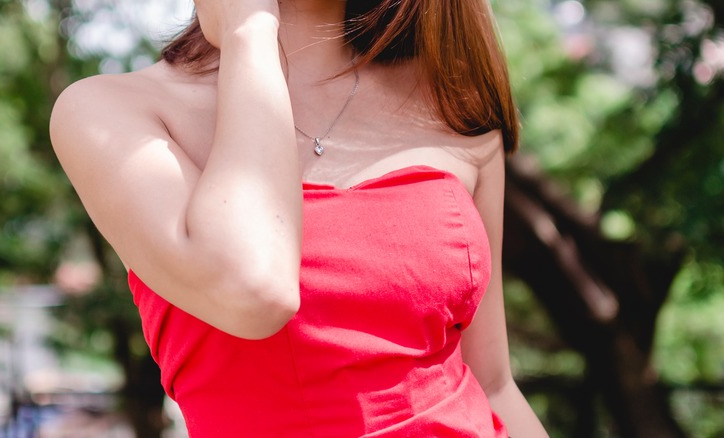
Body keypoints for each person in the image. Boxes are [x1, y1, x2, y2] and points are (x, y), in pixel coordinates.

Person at [50, 0, 549, 436]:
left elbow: (494, 384)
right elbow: (252, 290)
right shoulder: (109, 111)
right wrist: (249, 30)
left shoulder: (454, 114)